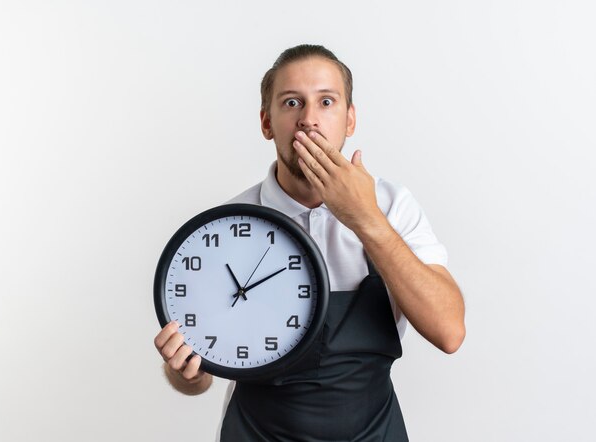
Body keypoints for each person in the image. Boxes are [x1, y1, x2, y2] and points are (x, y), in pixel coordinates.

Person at [154, 44, 466, 441]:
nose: (309, 120)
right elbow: (196, 378)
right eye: (291, 103)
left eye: (326, 101)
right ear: (267, 123)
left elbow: (449, 332)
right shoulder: (224, 228)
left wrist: (365, 218)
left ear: (349, 119)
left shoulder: (391, 206)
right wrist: (186, 374)